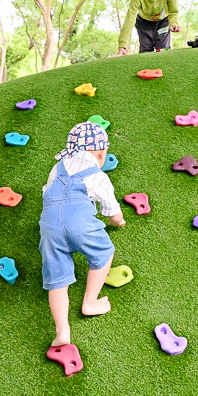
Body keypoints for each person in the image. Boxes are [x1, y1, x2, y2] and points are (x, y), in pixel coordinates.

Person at [40, 122, 125, 347]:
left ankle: (62, 331)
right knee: (104, 252)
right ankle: (90, 302)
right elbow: (111, 208)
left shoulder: (57, 168)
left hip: (49, 225)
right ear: (100, 153)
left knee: (57, 278)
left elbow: (47, 193)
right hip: (80, 223)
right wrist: (118, 220)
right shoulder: (97, 175)